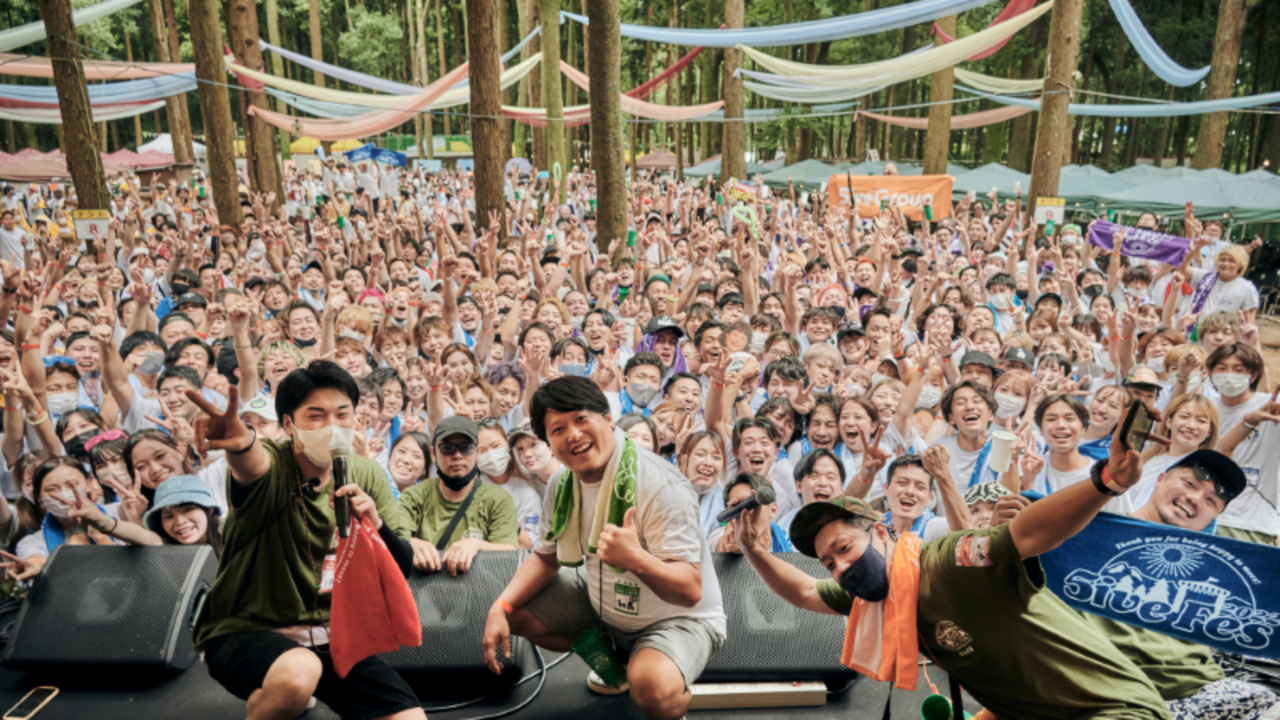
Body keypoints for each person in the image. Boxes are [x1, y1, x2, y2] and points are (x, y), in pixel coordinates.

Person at [733, 423, 1174, 719]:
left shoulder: (944, 560)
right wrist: (753, 550)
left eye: (845, 548)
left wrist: (1106, 483)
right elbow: (807, 593)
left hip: (1114, 709)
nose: (841, 567)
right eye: (830, 562)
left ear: (882, 533)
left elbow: (1026, 536)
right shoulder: (878, 595)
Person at [189, 361, 425, 720]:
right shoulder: (274, 463)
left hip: (332, 635)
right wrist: (239, 442)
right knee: (298, 675)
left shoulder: (367, 473)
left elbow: (402, 566)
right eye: (316, 416)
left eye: (342, 414)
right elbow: (251, 462)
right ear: (288, 424)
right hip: (246, 628)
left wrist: (376, 524)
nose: (332, 426)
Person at [482, 377, 725, 720]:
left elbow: (689, 591)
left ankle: (671, 696)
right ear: (549, 441)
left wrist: (636, 560)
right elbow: (545, 558)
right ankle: (616, 663)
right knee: (516, 612)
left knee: (652, 689)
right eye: (558, 429)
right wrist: (500, 607)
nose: (573, 435)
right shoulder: (561, 483)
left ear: (608, 418)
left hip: (677, 619)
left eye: (581, 419)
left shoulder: (661, 484)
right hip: (603, 603)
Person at [398, 416, 519, 573]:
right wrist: (411, 543)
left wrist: (477, 544)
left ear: (477, 452)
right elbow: (392, 538)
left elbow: (510, 551)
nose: (457, 455)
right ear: (433, 454)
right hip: (423, 593)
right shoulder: (414, 496)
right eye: (447, 448)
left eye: (466, 448)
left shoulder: (498, 499)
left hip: (479, 591)